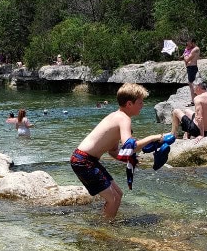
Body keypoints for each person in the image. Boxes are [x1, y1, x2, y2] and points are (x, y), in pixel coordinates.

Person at [69, 83, 167, 221]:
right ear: (129, 104)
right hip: (83, 161)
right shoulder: (123, 119)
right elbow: (129, 145)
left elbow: (113, 151)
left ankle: (106, 220)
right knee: (113, 199)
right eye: (140, 102)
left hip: (86, 159)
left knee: (118, 194)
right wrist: (153, 138)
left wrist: (130, 160)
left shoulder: (117, 116)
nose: (142, 105)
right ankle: (104, 230)